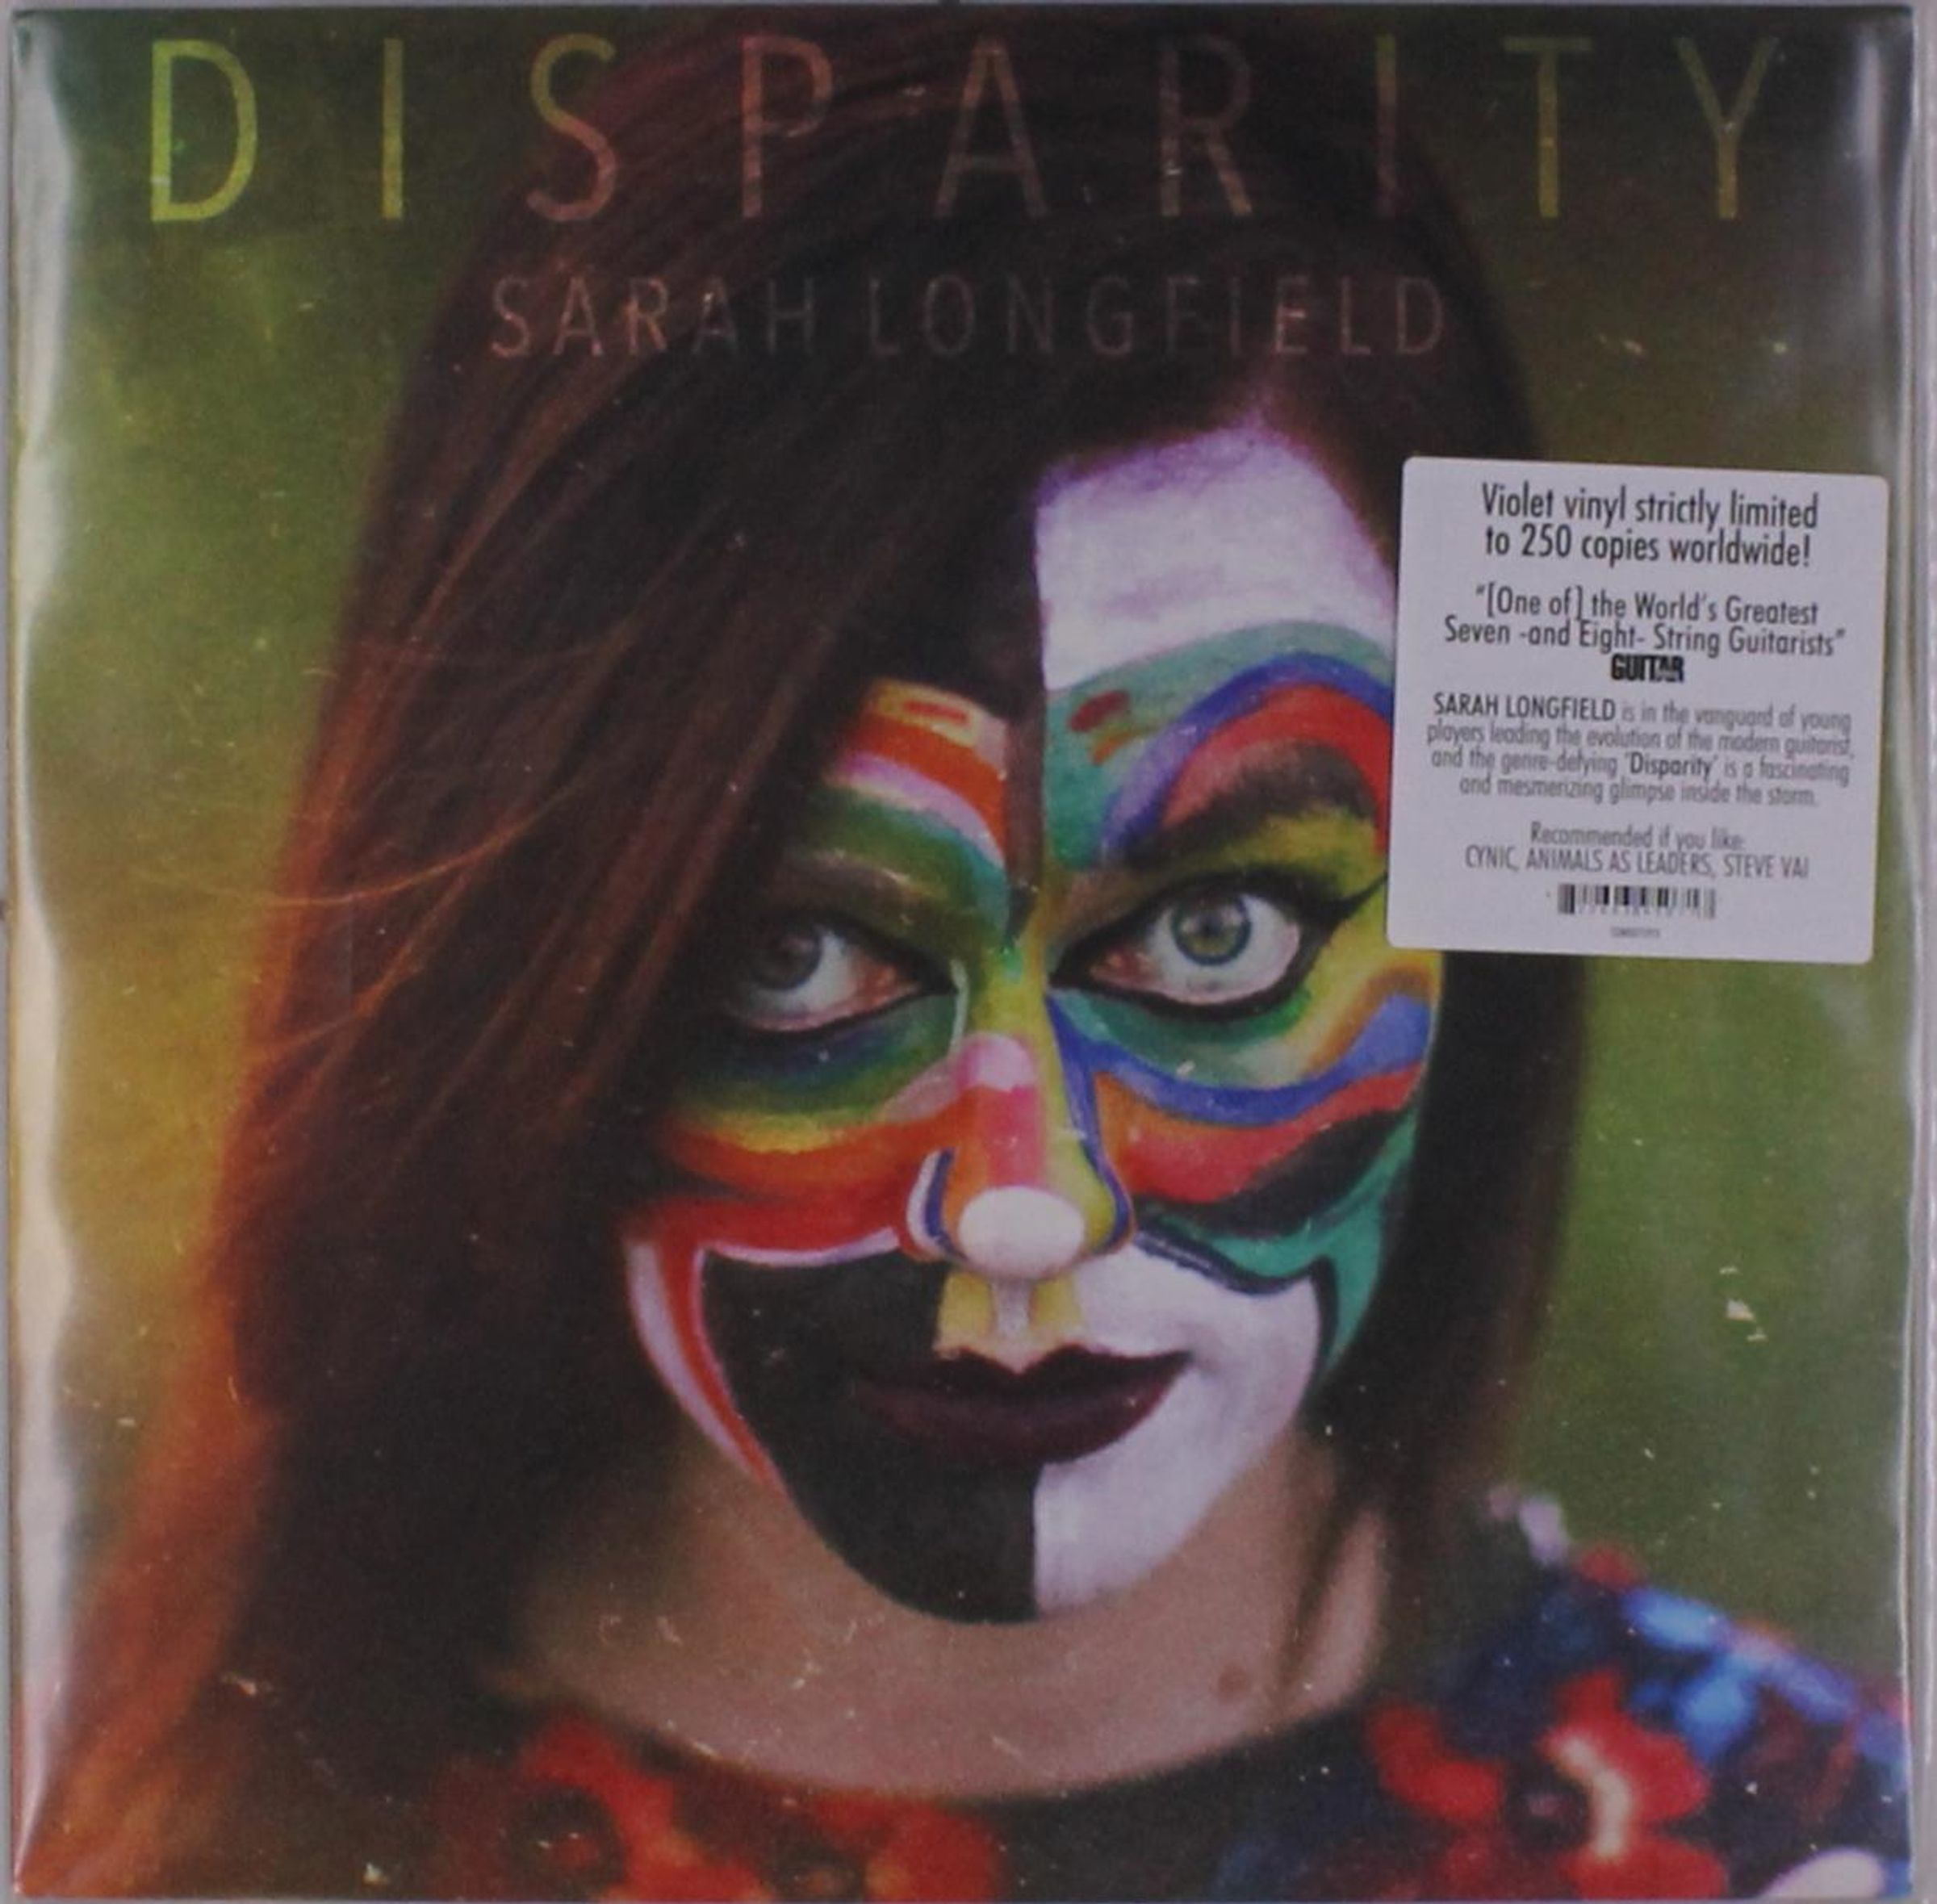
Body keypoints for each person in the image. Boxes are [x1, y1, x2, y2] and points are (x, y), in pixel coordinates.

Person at [19, 15, 1907, 1900]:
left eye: (1218, 934)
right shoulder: (118, 1829)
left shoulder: (1815, 1848)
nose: (1019, 1208)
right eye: (792, 957)